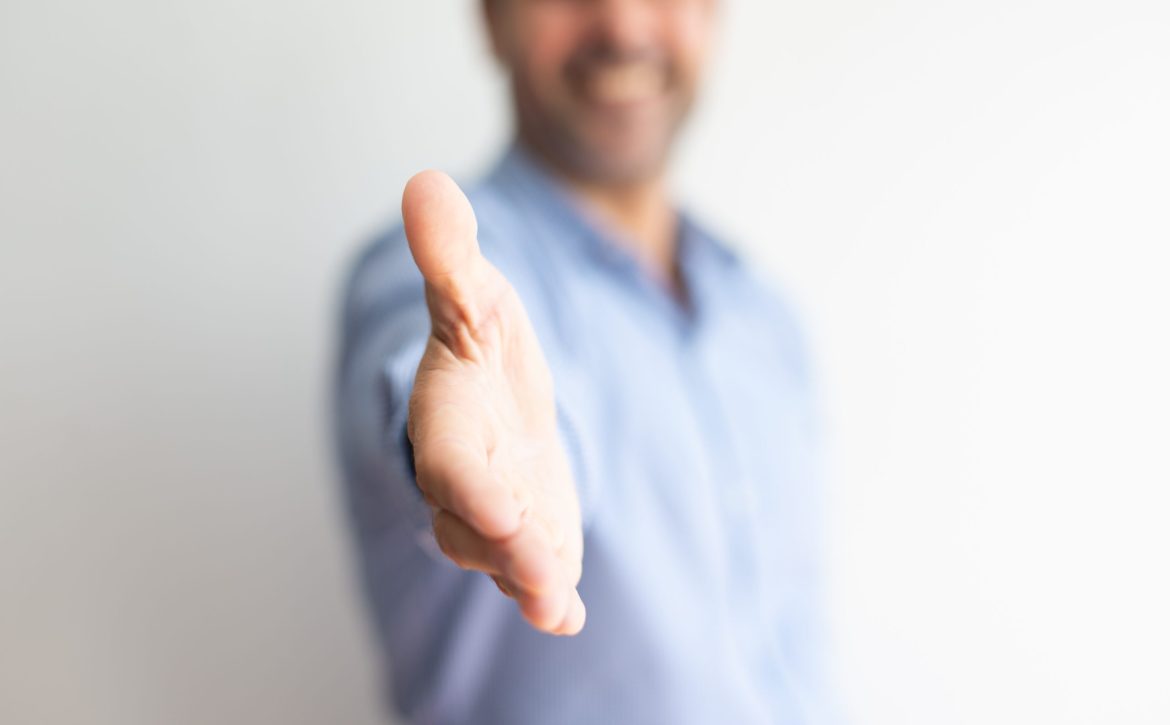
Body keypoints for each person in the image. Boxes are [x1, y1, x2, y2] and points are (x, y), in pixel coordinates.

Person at [334, 0, 837, 722]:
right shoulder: (436, 277)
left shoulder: (765, 321)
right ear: (491, 20)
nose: (624, 27)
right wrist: (461, 443)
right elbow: (441, 375)